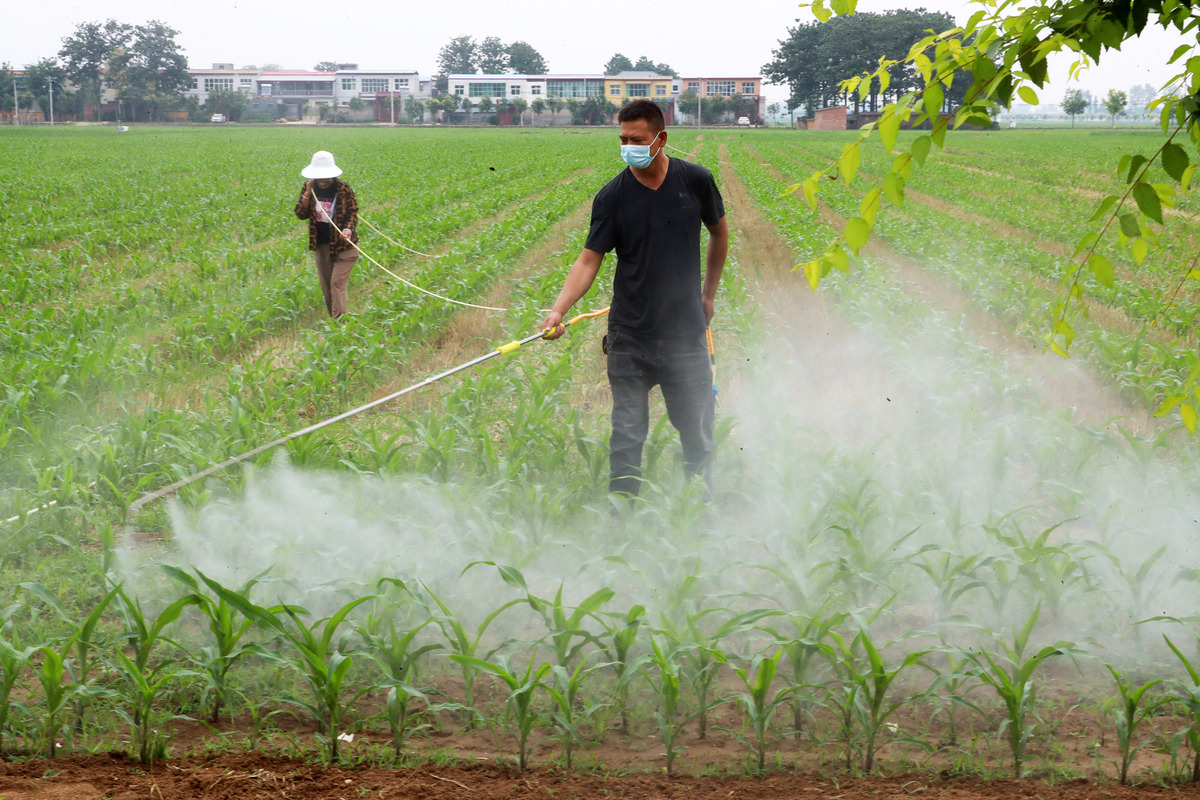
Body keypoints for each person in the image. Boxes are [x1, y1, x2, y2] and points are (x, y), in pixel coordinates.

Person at [541, 99, 729, 500]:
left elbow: (719, 232)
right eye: (623, 140)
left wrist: (709, 295)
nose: (628, 148)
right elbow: (589, 259)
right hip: (630, 336)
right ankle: (622, 513)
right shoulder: (612, 197)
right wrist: (559, 309)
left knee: (696, 428)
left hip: (685, 333)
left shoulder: (695, 180)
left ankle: (700, 504)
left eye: (637, 140)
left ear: (661, 139)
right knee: (627, 433)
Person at [294, 150, 359, 318]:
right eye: (318, 176)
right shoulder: (309, 188)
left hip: (344, 246)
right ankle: (335, 321)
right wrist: (307, 194)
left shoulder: (343, 189)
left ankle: (341, 322)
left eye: (325, 175)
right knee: (327, 286)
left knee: (337, 283)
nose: (321, 179)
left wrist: (348, 230)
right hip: (322, 246)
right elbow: (301, 214)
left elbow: (352, 212)